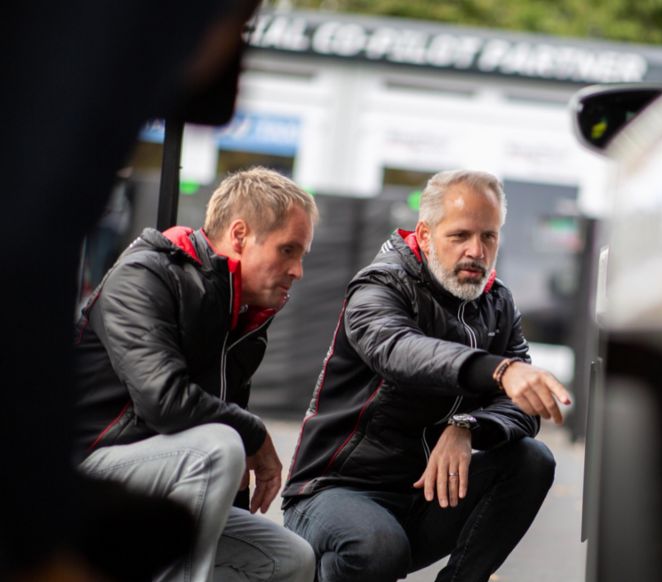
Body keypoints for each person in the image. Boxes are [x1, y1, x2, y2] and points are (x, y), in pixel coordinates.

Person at [1, 1, 262, 579]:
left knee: (280, 554)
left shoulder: (243, 310)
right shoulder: (147, 270)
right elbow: (22, 256)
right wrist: (43, 536)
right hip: (78, 469)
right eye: (244, 25)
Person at [282, 169, 572, 582]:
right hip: (335, 493)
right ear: (425, 233)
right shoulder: (379, 286)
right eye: (460, 236)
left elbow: (521, 408)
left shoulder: (498, 301)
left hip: (426, 495)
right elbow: (400, 350)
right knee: (377, 548)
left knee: (531, 460)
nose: (476, 250)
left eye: (488, 236)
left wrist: (468, 426)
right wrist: (499, 370)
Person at [72, 166, 319, 582]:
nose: (298, 270)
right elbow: (163, 402)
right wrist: (252, 433)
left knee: (288, 558)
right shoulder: (146, 275)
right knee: (217, 445)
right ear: (240, 235)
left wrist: (242, 439)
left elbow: (221, 446)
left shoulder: (243, 314)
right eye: (288, 250)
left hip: (159, 478)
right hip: (81, 479)